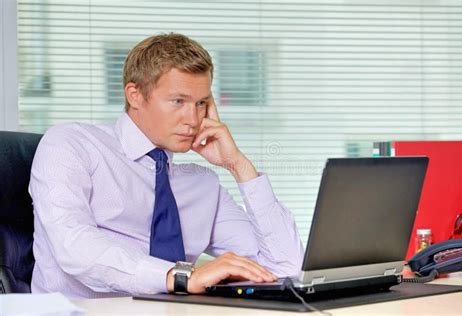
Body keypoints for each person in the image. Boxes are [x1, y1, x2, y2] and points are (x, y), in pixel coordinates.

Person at [29, 33, 304, 299]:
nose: (193, 119)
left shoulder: (202, 184)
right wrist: (181, 277)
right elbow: (73, 246)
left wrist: (238, 165)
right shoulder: (72, 145)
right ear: (135, 95)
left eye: (201, 103)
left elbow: (286, 266)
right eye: (178, 101)